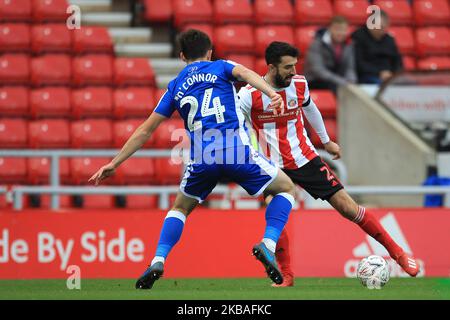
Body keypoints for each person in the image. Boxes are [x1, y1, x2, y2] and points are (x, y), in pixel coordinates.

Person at [89, 30, 297, 289]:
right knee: (286, 188)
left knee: (180, 209)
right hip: (236, 151)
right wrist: (271, 92)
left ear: (182, 56)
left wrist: (115, 162)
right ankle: (267, 244)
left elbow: (146, 130)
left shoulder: (175, 85)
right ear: (210, 52)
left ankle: (158, 260)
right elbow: (245, 74)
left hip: (202, 158)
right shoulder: (221, 67)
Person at [238, 41, 420, 287]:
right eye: (287, 67)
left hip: (305, 158)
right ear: (271, 67)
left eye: (294, 66)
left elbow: (310, 109)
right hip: (273, 166)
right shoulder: (248, 95)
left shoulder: (299, 84)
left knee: (348, 207)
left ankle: (399, 254)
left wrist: (326, 141)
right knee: (276, 215)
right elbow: (236, 126)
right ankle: (287, 275)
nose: (293, 71)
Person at [304, 15, 357, 93]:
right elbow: (318, 70)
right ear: (329, 29)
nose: (341, 33)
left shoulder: (349, 44)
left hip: (338, 82)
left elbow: (350, 67)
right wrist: (342, 82)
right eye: (337, 29)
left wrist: (351, 80)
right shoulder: (317, 44)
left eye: (344, 30)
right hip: (315, 81)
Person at [352, 10, 403, 84]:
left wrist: (392, 74)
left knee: (410, 85)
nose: (382, 30)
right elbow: (359, 64)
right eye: (380, 26)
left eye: (384, 27)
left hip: (389, 76)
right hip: (368, 76)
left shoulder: (389, 39)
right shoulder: (358, 37)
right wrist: (379, 73)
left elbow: (398, 61)